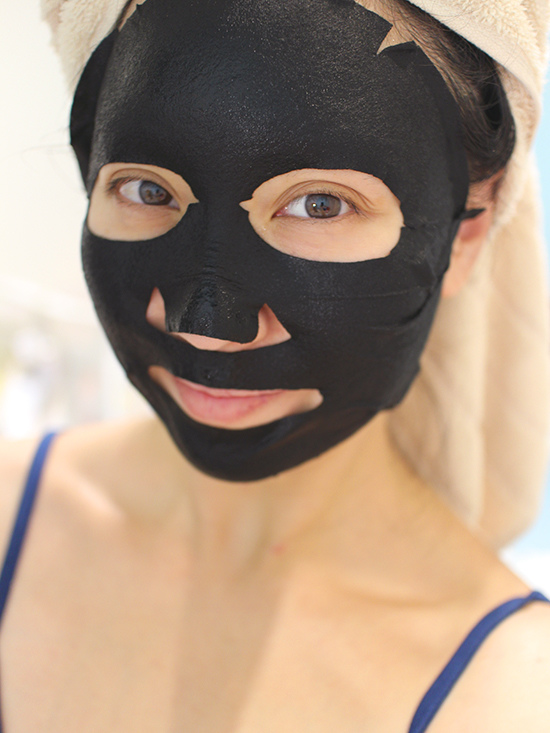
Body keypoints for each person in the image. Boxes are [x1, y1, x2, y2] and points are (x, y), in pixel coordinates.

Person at [1, 0, 550, 730]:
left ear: (469, 230)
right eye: (147, 191)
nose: (208, 329)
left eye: (320, 204)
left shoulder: (515, 699)